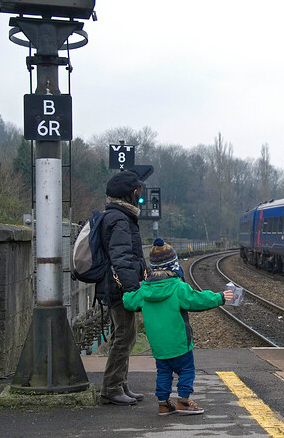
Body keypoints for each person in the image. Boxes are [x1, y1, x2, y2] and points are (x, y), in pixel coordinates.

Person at [122, 255, 233, 416]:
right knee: (187, 370)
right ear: (173, 267)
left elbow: (129, 302)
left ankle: (163, 404)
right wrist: (220, 297)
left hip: (158, 345)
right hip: (179, 343)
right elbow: (198, 299)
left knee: (164, 373)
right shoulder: (178, 287)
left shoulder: (144, 290)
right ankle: (183, 401)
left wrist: (123, 291)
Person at [99, 170, 149, 406]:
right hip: (119, 288)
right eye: (137, 191)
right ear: (128, 194)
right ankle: (111, 387)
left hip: (116, 286)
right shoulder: (119, 219)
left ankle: (120, 384)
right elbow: (121, 258)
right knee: (125, 336)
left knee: (125, 335)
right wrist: (133, 290)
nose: (139, 194)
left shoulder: (120, 217)